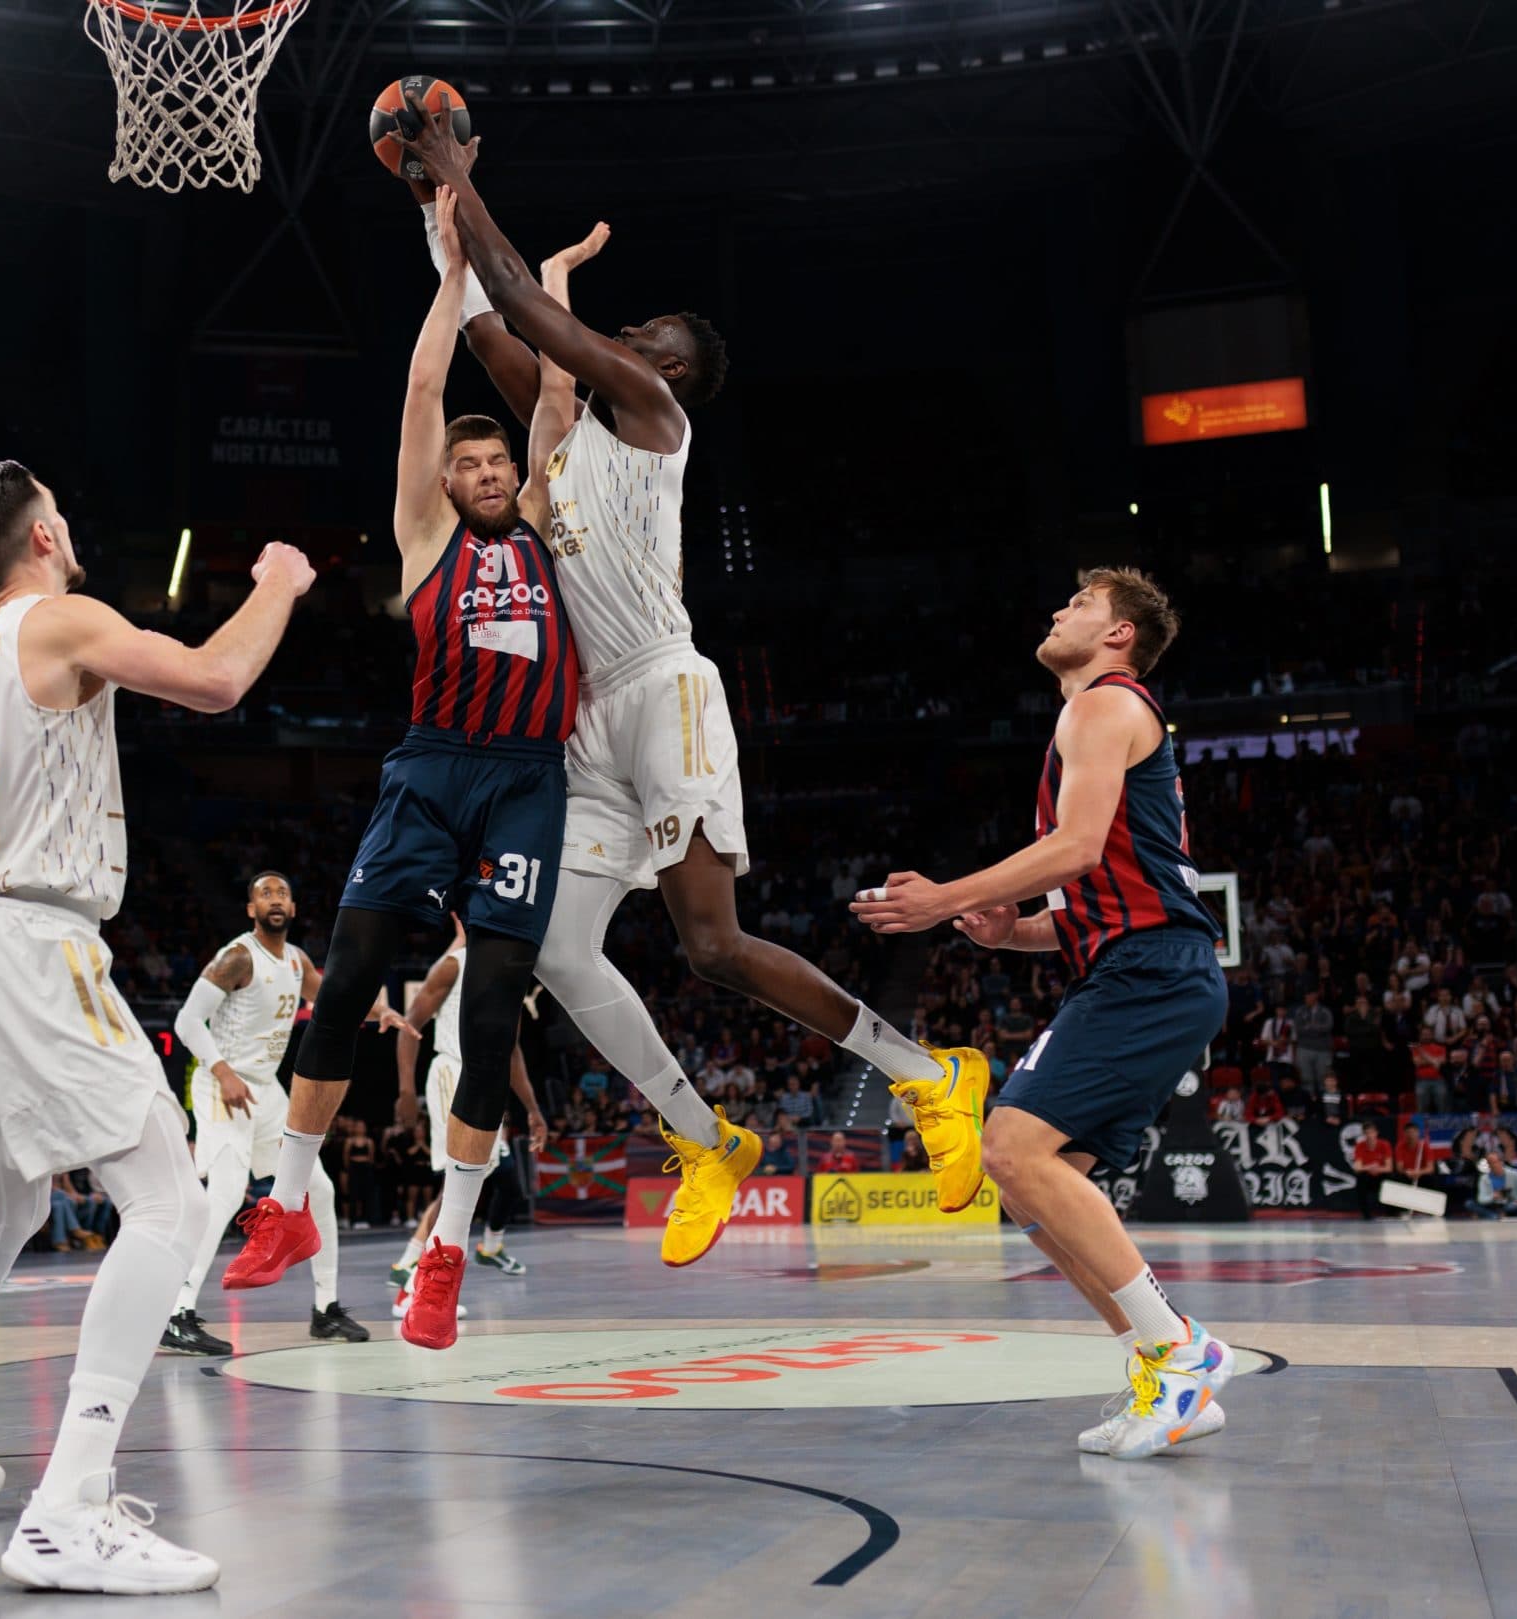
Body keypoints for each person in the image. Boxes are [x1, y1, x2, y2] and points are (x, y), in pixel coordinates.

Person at [393, 114, 965, 1266]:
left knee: (707, 943)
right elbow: (488, 319)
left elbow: (525, 299)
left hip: (666, 689)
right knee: (554, 946)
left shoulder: (657, 417)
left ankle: (926, 1075)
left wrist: (461, 173)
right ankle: (708, 1139)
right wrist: (427, 210)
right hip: (586, 722)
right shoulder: (563, 444)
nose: (622, 329)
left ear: (669, 367)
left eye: (642, 330)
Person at [0, 459, 307, 1598]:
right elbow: (214, 678)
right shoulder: (61, 618)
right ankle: (70, 1505)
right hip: (37, 937)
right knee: (169, 1197)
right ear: (43, 532)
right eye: (66, 511)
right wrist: (280, 582)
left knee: (6, 1205)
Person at [217, 197, 588, 1353]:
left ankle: (445, 1256)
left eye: (494, 459)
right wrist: (449, 271)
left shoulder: (540, 526)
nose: (482, 469)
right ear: (445, 479)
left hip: (527, 779)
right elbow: (424, 395)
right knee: (350, 976)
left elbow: (564, 395)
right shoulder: (425, 538)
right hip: (429, 771)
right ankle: (282, 1203)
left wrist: (555, 280)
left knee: (488, 1013)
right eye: (467, 461)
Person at [855, 569, 1234, 1460]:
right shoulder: (1098, 716)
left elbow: (1075, 847)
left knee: (1009, 1146)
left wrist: (942, 895)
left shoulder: (1103, 705)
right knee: (1034, 1184)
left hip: (1152, 969)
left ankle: (1184, 1351)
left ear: (1118, 635)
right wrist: (1013, 928)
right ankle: (1164, 1371)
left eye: (1079, 604)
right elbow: (1098, 886)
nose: (1057, 609)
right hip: (1131, 965)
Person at [164, 873, 364, 1356]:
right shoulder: (238, 957)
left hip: (265, 1091)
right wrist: (223, 1070)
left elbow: (336, 1000)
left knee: (319, 1189)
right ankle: (177, 1311)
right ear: (251, 910)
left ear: (293, 908)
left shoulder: (296, 961)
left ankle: (325, 1310)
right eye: (264, 894)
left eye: (281, 894)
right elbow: (187, 1021)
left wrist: (389, 1014)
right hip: (221, 1082)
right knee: (229, 1191)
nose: (274, 900)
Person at [384, 918, 551, 1316]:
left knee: (466, 1186)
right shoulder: (453, 965)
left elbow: (511, 1051)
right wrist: (407, 1091)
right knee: (458, 1183)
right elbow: (409, 1027)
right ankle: (411, 1283)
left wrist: (533, 1109)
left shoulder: (509, 974)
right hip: (451, 1073)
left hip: (485, 1079)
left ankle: (414, 1270)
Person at [1351, 1121, 1394, 1221]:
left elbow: (1389, 1167)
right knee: (1360, 1179)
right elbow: (1357, 1167)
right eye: (1366, 1133)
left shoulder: (1384, 1144)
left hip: (1381, 1175)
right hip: (1368, 1177)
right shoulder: (1360, 1146)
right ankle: (1366, 1214)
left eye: (1371, 1132)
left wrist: (1378, 1169)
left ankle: (1391, 1212)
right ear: (1364, 1134)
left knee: (1391, 1178)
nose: (1369, 1135)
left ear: (1376, 1133)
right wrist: (1370, 1167)